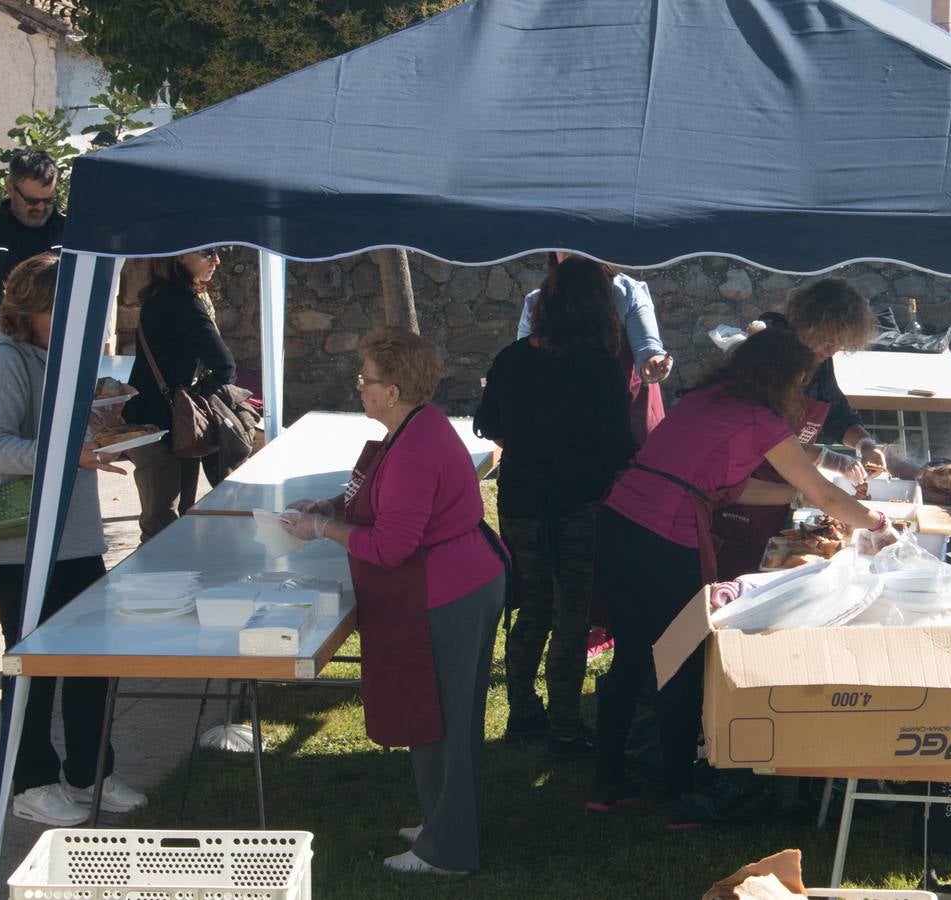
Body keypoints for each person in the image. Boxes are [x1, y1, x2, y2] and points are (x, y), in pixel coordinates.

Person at [589, 327, 895, 822]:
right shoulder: (760, 420)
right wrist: (879, 523)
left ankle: (606, 782)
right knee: (682, 660)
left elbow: (729, 487)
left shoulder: (705, 399)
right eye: (800, 382)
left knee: (631, 656)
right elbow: (828, 495)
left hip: (621, 519)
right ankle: (678, 792)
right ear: (783, 378)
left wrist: (797, 497)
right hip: (666, 535)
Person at [279, 326, 507, 876]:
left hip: (447, 590)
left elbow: (388, 545)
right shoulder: (411, 428)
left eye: (368, 379)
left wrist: (320, 528)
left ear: (395, 390)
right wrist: (330, 505)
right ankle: (446, 819)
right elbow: (373, 497)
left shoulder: (414, 446)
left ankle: (448, 851)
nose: (360, 386)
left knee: (445, 719)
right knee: (440, 712)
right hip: (454, 581)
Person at [0, 253, 147, 825]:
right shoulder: (4, 358)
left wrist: (103, 429)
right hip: (20, 546)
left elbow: (59, 436)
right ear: (29, 308)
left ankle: (89, 773)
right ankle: (29, 782)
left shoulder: (62, 357)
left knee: (93, 658)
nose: (78, 323)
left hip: (75, 537)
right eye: (63, 309)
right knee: (34, 666)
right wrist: (64, 453)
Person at [474, 257, 637, 754]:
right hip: (578, 504)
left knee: (533, 608)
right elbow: (617, 451)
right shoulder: (601, 369)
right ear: (599, 310)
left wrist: (533, 446)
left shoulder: (512, 357)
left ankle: (523, 712)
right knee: (571, 614)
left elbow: (491, 425)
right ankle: (565, 726)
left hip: (522, 497)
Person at [712, 277, 911, 579]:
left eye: (839, 344)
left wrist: (865, 444)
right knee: (735, 578)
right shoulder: (770, 354)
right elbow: (761, 438)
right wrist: (828, 458)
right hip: (743, 494)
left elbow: (836, 412)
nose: (831, 351)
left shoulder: (818, 357)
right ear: (806, 322)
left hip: (784, 492)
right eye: (827, 341)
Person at [122, 249, 236, 540]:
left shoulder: (156, 296)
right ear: (181, 256)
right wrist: (199, 394)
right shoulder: (184, 301)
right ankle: (160, 582)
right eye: (208, 253)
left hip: (151, 418)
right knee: (165, 527)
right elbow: (225, 366)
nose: (217, 260)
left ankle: (171, 580)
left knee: (163, 524)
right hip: (168, 424)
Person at [517, 253, 672, 444]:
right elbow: (522, 363)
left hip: (627, 418)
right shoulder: (537, 302)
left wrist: (654, 364)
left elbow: (647, 348)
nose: (573, 253)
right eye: (563, 247)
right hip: (564, 422)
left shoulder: (628, 293)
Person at [0, 151, 65, 333]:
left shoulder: (71, 236)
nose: (41, 207)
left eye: (49, 200)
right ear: (10, 189)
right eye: (32, 201)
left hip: (54, 349)